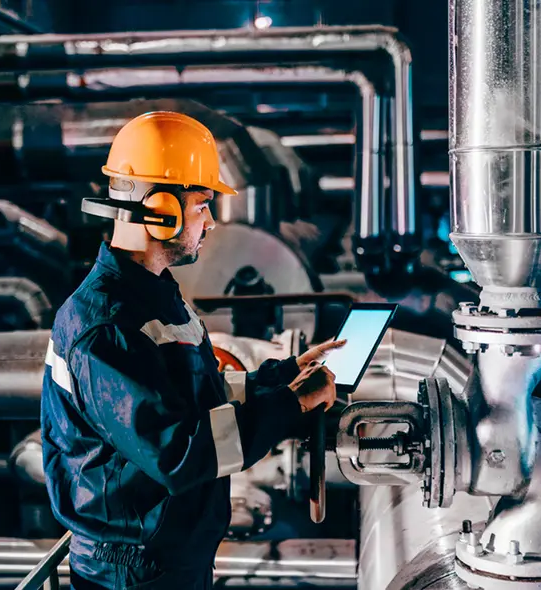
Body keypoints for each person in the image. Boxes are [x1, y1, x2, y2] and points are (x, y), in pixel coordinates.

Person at [40, 111, 343, 590]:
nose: (211, 223)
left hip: (165, 556)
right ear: (163, 210)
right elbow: (179, 451)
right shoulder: (108, 325)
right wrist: (293, 404)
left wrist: (280, 377)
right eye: (203, 205)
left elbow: (193, 390)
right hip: (134, 571)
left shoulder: (154, 294)